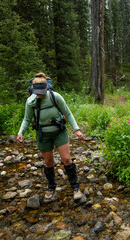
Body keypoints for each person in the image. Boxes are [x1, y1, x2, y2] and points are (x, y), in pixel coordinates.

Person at [16, 72, 85, 203]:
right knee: (48, 163)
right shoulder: (30, 101)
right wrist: (20, 133)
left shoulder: (55, 97)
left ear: (47, 87)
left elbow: (68, 113)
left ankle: (76, 188)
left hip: (59, 132)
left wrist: (77, 130)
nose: (40, 94)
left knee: (66, 159)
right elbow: (26, 119)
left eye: (42, 91)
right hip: (43, 134)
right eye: (37, 92)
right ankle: (51, 188)